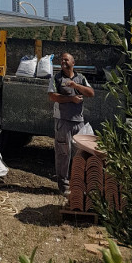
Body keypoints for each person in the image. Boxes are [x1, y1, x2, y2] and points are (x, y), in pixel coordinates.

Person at [48, 51, 94, 197]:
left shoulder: (81, 78)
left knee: (80, 153)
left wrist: (76, 85)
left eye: (66, 60)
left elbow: (91, 93)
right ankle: (63, 185)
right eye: (61, 60)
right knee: (63, 153)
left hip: (78, 122)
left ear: (73, 63)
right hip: (63, 121)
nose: (63, 62)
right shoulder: (56, 78)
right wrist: (71, 99)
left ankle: (78, 183)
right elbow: (52, 96)